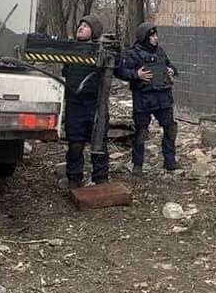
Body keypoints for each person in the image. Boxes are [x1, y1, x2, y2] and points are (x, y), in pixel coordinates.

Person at [115, 22, 181, 175]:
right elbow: (120, 72)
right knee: (141, 132)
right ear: (144, 37)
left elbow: (170, 66)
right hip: (143, 98)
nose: (156, 38)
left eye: (156, 35)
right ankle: (137, 164)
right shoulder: (132, 53)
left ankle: (170, 161)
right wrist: (136, 75)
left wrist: (172, 71)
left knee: (170, 129)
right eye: (152, 36)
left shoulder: (160, 51)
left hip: (163, 97)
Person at [61, 15, 109, 187]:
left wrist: (136, 74)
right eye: (80, 25)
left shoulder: (103, 51)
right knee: (75, 144)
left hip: (95, 105)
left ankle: (101, 179)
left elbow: (121, 69)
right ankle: (74, 178)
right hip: (75, 104)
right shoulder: (71, 50)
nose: (80, 28)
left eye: (85, 26)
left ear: (94, 32)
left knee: (99, 144)